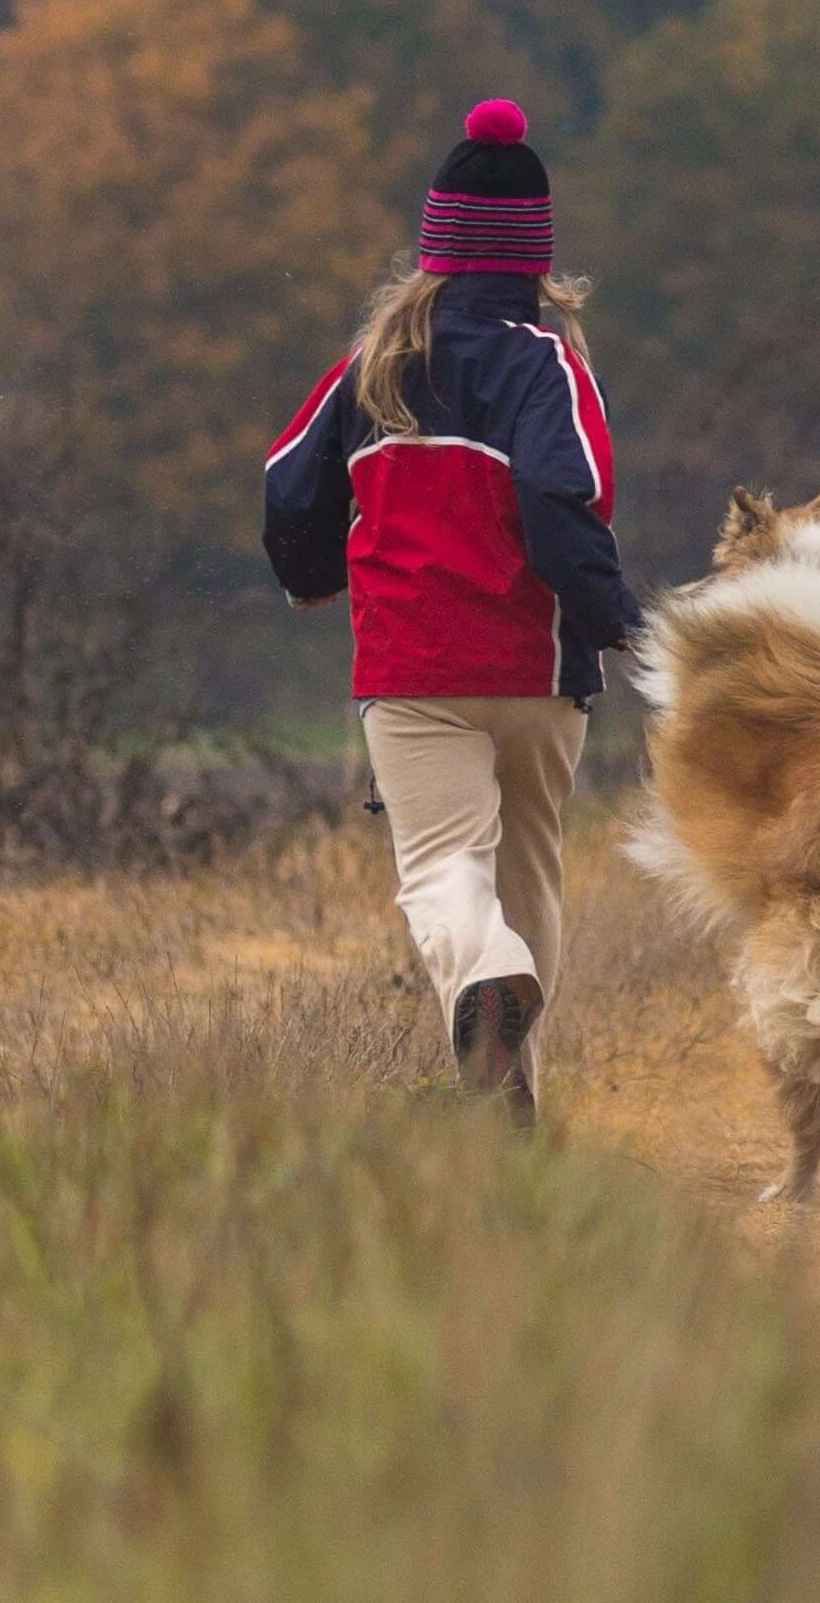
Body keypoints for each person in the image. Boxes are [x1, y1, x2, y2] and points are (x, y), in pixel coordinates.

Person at [262, 98, 643, 1125]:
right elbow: (560, 504)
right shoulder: (546, 364)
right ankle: (513, 1096)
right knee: (531, 878)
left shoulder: (371, 367)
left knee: (443, 873)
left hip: (411, 670)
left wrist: (308, 580)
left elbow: (290, 490)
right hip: (534, 670)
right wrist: (616, 619)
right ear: (535, 260)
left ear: (431, 248)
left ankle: (486, 995)